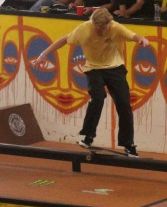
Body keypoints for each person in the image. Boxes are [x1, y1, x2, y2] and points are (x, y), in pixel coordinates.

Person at [30, 8, 150, 157]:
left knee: (124, 104)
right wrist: (43, 55)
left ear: (109, 23)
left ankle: (128, 144)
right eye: (98, 28)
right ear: (93, 23)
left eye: (104, 28)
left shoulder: (116, 27)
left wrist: (142, 40)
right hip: (94, 68)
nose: (101, 31)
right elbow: (64, 40)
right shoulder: (84, 29)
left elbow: (133, 35)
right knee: (98, 98)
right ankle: (88, 136)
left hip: (115, 68)